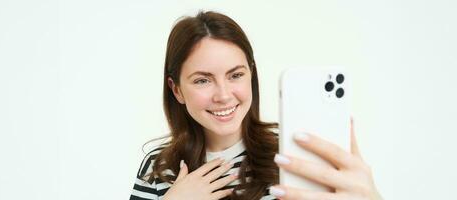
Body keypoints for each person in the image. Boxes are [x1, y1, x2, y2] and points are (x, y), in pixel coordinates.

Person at [129, 11, 382, 200]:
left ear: (251, 75)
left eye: (235, 75)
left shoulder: (291, 157)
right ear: (177, 90)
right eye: (203, 80)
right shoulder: (158, 166)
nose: (224, 95)